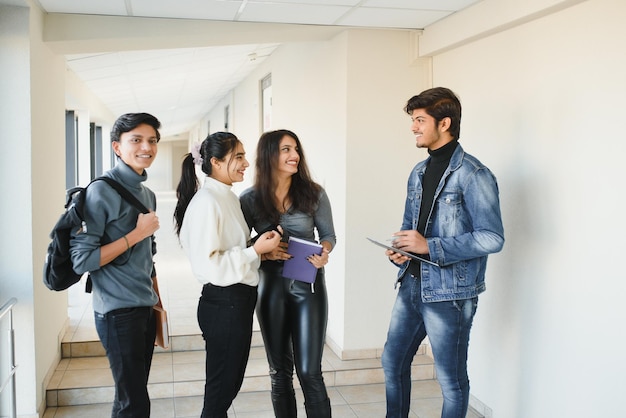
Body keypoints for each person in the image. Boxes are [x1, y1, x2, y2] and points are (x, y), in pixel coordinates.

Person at [380, 87, 505, 418]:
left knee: (451, 381)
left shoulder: (474, 175)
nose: (413, 127)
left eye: (420, 120)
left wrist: (430, 246)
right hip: (412, 284)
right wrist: (401, 250)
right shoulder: (418, 173)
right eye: (413, 120)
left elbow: (492, 237)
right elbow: (411, 230)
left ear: (444, 123)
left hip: (450, 295)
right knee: (392, 362)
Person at [173, 132, 282, 418]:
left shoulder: (225, 197)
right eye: (239, 157)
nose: (247, 163)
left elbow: (227, 247)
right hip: (225, 304)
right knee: (220, 393)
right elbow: (209, 264)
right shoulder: (208, 201)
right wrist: (254, 250)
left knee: (225, 389)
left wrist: (259, 250)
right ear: (215, 162)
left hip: (235, 302)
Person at [70, 113, 162, 418]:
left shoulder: (147, 194)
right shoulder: (101, 191)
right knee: (134, 403)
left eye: (151, 140)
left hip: (144, 309)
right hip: (116, 312)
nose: (145, 146)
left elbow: (147, 256)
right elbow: (83, 260)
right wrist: (137, 233)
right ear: (117, 147)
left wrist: (157, 301)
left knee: (131, 397)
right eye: (136, 140)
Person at [240, 129, 337, 418]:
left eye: (295, 149)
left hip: (308, 284)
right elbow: (239, 244)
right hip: (269, 286)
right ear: (270, 155)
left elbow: (328, 234)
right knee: (280, 372)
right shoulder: (249, 199)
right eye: (285, 149)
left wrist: (325, 251)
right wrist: (262, 250)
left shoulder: (313, 192)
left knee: (310, 372)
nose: (294, 155)